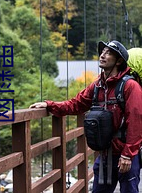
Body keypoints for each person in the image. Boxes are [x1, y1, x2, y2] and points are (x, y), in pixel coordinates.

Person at [29, 40, 142, 193]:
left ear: (119, 61)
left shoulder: (130, 86)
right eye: (102, 52)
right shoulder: (97, 86)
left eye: (108, 53)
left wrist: (128, 155)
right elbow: (76, 104)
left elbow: (136, 121)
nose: (102, 55)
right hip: (105, 154)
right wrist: (49, 105)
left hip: (125, 154)